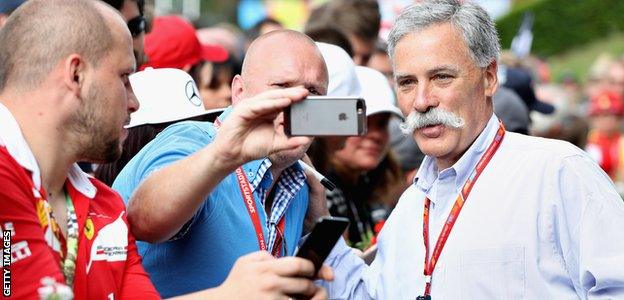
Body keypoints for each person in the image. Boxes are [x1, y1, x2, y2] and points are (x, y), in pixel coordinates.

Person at [0, 1, 331, 299]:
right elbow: (149, 218)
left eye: (316, 93)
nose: (135, 102)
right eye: (125, 77)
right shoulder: (4, 178)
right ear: (76, 74)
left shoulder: (103, 203)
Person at [318, 1, 624, 298]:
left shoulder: (558, 172)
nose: (422, 101)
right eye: (408, 83)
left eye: (441, 77)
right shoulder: (410, 208)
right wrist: (315, 214)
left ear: (489, 77)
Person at [112, 30, 329, 297]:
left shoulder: (301, 183)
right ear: (239, 91)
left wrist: (319, 224)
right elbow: (143, 220)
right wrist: (222, 157)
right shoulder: (194, 143)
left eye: (313, 92)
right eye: (282, 88)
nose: (300, 104)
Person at [94, 68, 223, 186]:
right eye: (180, 132)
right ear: (140, 138)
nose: (198, 140)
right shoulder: (93, 200)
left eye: (200, 126)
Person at [325, 66, 404, 249]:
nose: (375, 135)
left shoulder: (377, 184)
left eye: (382, 124)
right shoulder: (319, 192)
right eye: (362, 123)